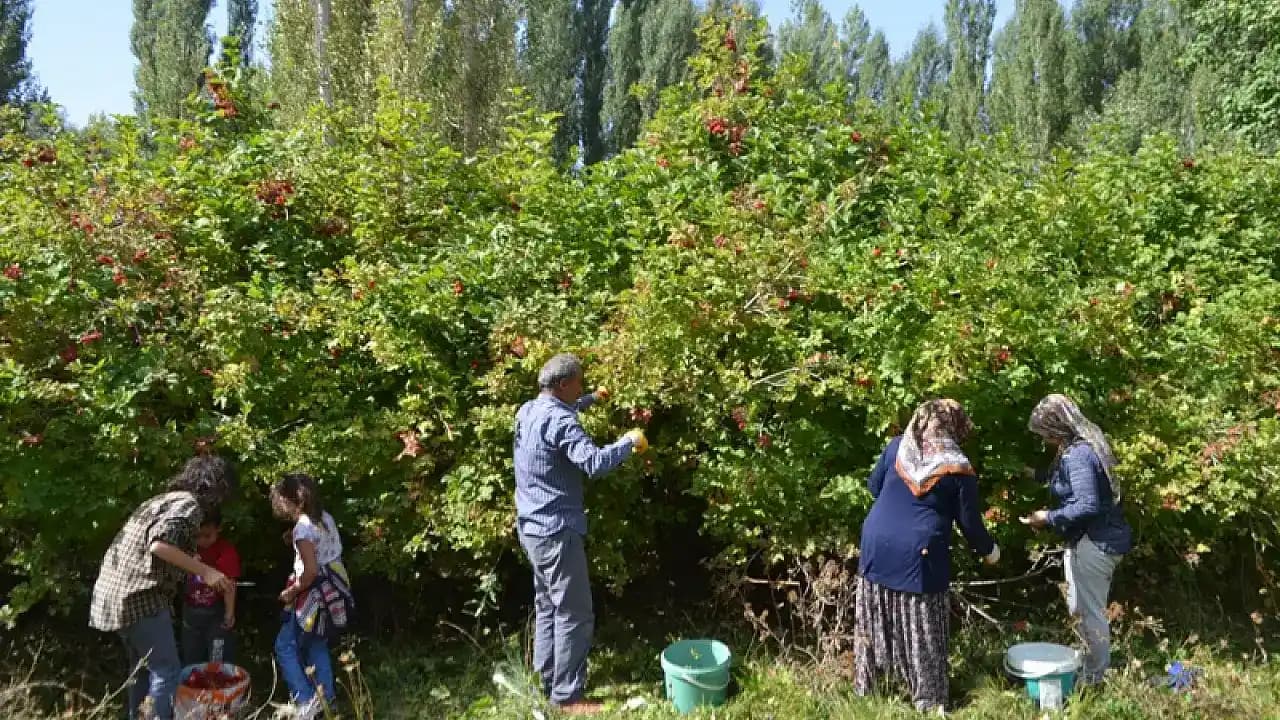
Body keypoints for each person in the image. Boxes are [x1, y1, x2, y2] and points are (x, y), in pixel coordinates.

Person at [514, 353, 647, 716]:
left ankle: (546, 679)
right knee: (574, 612)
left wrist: (592, 400)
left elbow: (562, 414)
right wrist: (629, 443)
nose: (582, 386)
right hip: (557, 531)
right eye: (580, 383)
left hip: (531, 528)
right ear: (563, 385)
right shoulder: (560, 420)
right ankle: (568, 697)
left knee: (547, 604)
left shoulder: (528, 411)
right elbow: (594, 463)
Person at [854, 399, 1000, 714]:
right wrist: (991, 551)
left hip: (876, 542)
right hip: (919, 553)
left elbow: (873, 487)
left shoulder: (897, 448)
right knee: (922, 628)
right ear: (955, 427)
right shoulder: (958, 468)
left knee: (876, 617)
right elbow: (970, 524)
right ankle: (928, 700)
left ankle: (873, 688)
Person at [90, 455, 238, 720]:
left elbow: (159, 545)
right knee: (166, 670)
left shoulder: (163, 500)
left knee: (143, 669)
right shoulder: (190, 506)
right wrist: (206, 571)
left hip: (112, 595)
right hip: (139, 597)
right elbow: (158, 545)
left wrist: (189, 560)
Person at [1023, 394, 1132, 686]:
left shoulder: (1078, 455)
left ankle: (1095, 677)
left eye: (1045, 432)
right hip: (1097, 540)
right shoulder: (1077, 447)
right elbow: (1059, 476)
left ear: (1056, 427)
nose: (1044, 438)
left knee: (1089, 613)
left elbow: (1087, 504)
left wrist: (1047, 517)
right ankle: (1090, 668)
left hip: (1094, 542)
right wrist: (1029, 473)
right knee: (1080, 610)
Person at [272, 473, 352, 720]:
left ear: (288, 500)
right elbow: (322, 551)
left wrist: (291, 592)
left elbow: (310, 571)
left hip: (313, 593)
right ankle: (327, 700)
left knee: (285, 646)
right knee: (317, 642)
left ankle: (306, 703)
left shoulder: (302, 530)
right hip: (334, 588)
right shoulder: (324, 519)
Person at [181, 508, 241, 665]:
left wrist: (229, 613)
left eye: (207, 536)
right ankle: (192, 685)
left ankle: (217, 685)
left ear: (218, 529)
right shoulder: (187, 551)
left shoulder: (225, 551)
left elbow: (229, 585)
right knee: (191, 654)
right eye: (197, 536)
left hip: (216, 613)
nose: (202, 540)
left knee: (218, 653)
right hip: (191, 612)